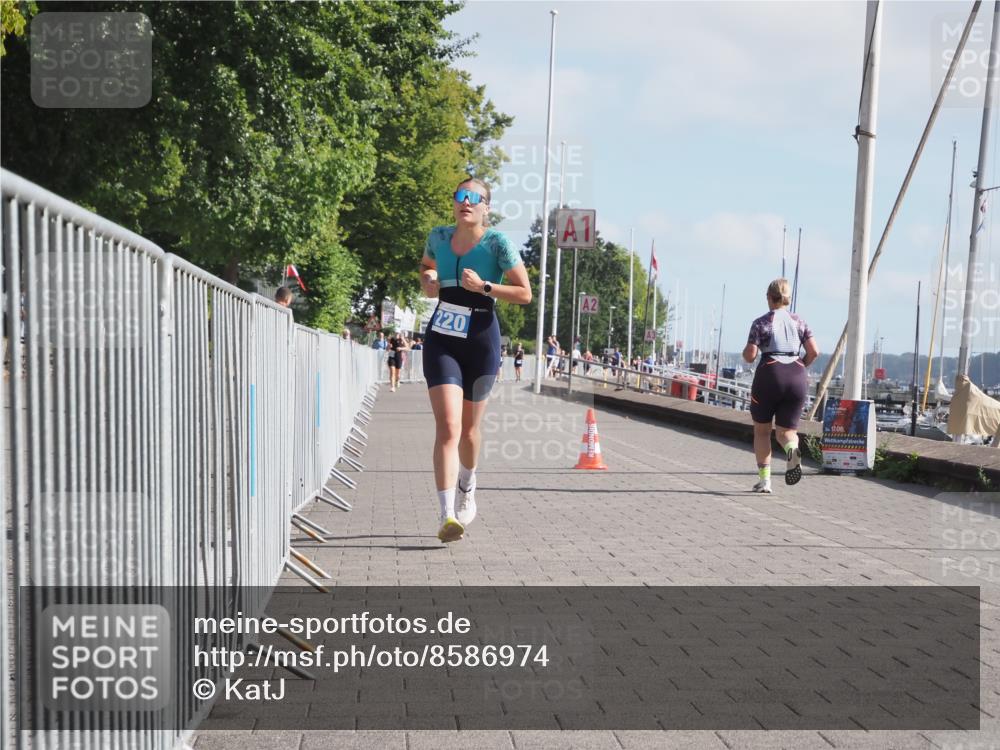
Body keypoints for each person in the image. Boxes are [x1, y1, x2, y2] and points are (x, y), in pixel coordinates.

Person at [419, 177, 532, 542]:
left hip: (482, 339)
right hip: (443, 339)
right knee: (448, 427)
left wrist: (484, 286)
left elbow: (525, 293)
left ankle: (468, 483)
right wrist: (429, 280)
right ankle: (446, 514)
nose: (465, 202)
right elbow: (425, 268)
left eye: (474, 198)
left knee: (469, 430)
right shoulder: (438, 236)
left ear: (486, 207)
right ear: (454, 203)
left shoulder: (497, 243)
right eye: (459, 196)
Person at [742, 278, 820, 493]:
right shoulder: (800, 322)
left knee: (763, 431)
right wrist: (801, 366)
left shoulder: (761, 323)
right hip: (796, 375)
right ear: (788, 299)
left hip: (770, 373)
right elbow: (814, 351)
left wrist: (747, 351)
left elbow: (750, 356)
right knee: (786, 432)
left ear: (769, 297)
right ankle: (792, 450)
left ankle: (765, 480)